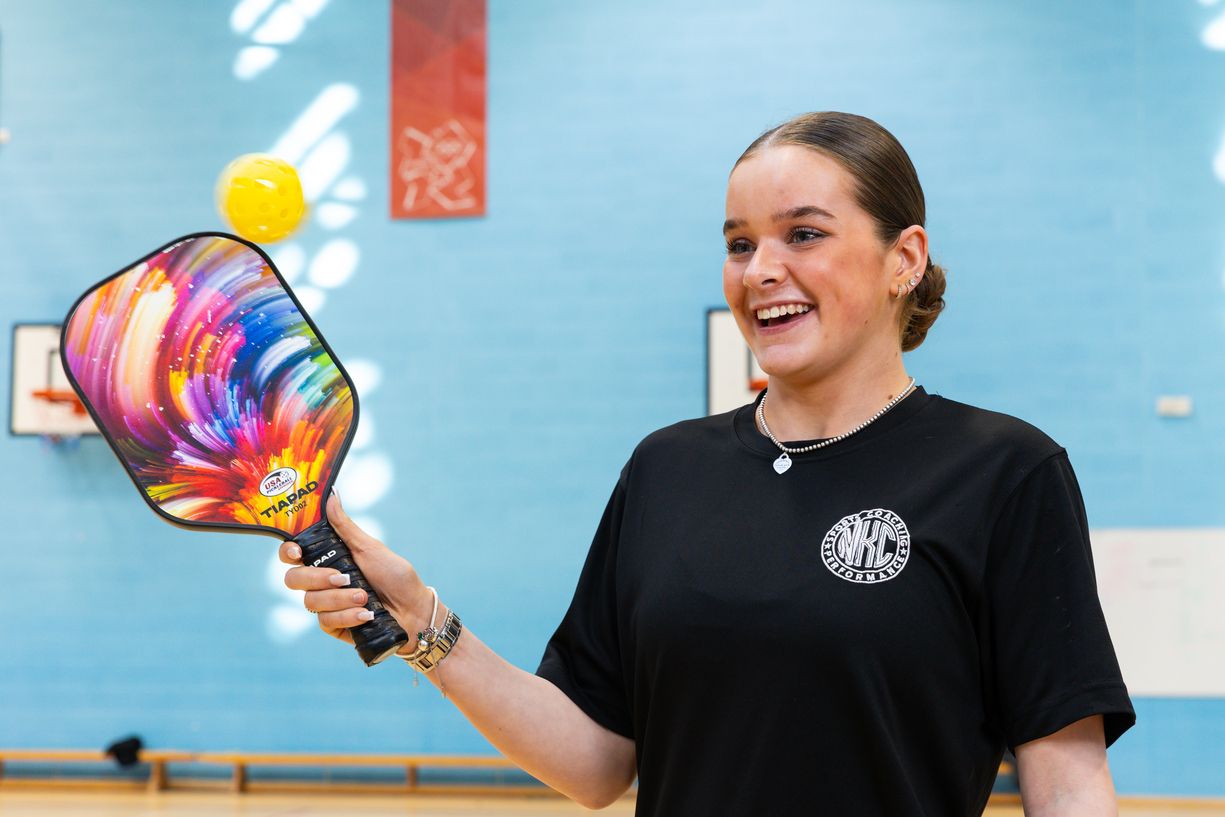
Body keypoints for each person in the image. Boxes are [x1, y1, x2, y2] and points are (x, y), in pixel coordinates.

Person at [281, 112, 1135, 816]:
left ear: (902, 260)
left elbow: (1063, 777)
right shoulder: (667, 469)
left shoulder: (1002, 471)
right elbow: (595, 761)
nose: (762, 271)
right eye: (738, 244)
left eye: (803, 233)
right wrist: (421, 620)